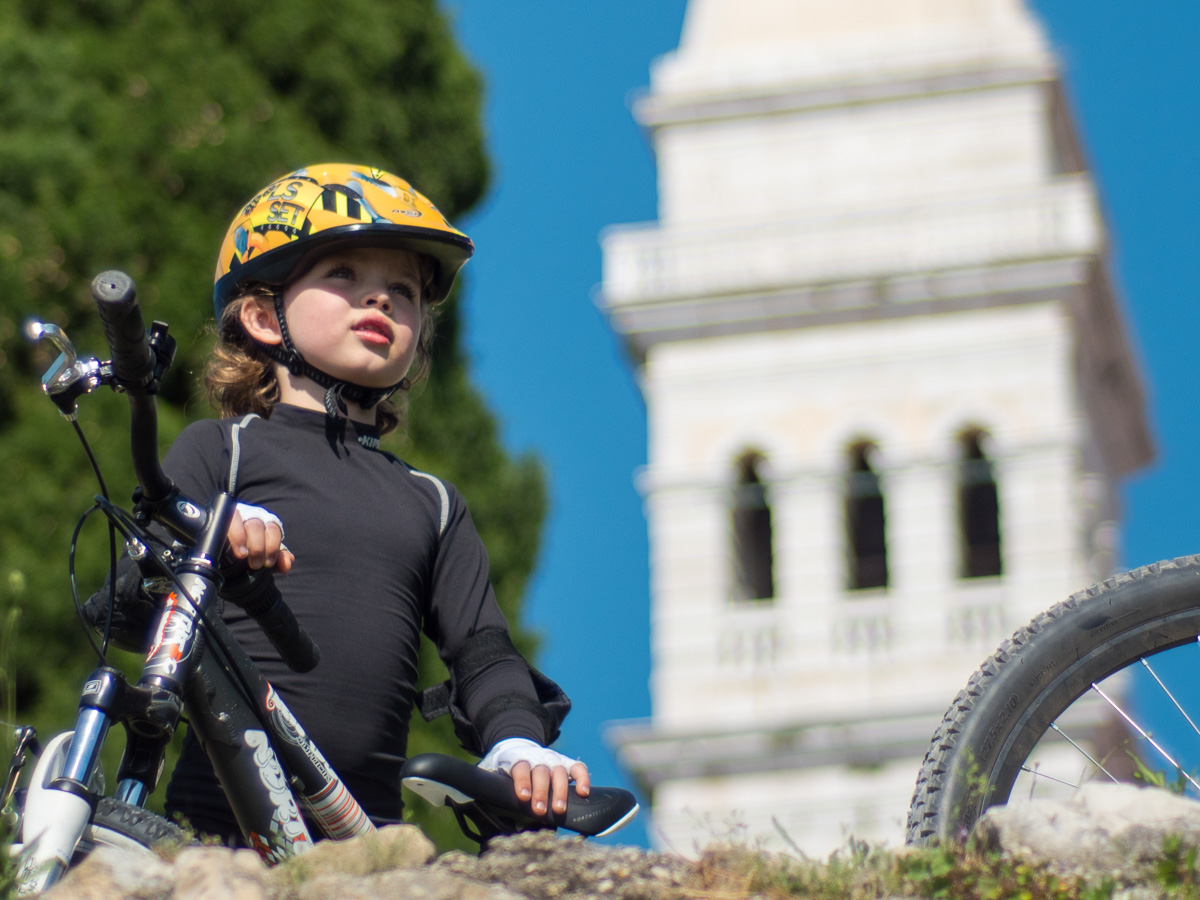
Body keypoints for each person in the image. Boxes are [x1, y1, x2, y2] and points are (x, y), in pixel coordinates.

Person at [115, 163, 589, 843]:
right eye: (343, 274)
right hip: (214, 830)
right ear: (262, 316)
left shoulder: (433, 503)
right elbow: (127, 597)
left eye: (404, 290)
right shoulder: (223, 450)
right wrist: (210, 535)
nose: (380, 299)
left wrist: (517, 741)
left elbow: (484, 655)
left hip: (368, 837)